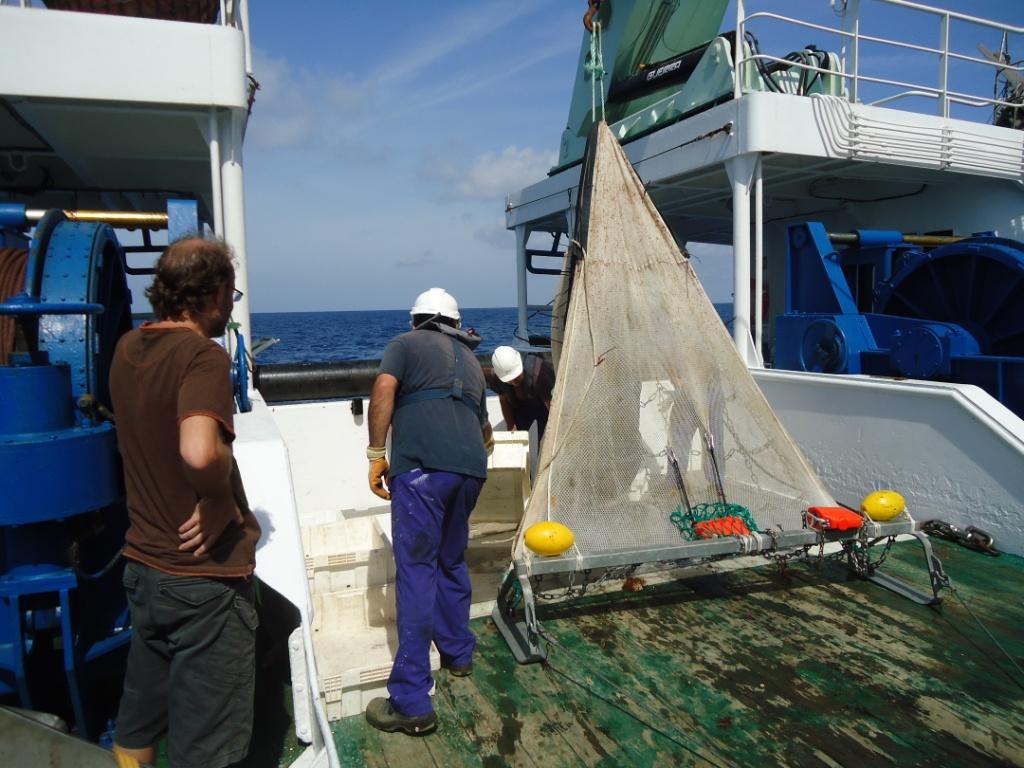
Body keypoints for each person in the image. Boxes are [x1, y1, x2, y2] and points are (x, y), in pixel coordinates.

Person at [109, 237, 261, 768]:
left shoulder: (129, 348)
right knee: (207, 748)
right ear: (215, 292)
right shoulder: (202, 355)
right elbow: (198, 451)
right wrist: (219, 498)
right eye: (231, 292)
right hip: (203, 582)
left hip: (143, 569)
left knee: (139, 719)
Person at [365, 286, 493, 736]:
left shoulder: (404, 345)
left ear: (417, 319)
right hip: (471, 472)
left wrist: (376, 452)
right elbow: (485, 430)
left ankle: (412, 700)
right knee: (451, 560)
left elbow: (384, 388)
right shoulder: (474, 365)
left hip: (421, 471)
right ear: (455, 324)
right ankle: (458, 654)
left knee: (417, 572)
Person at [490, 345, 555, 440]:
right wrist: (511, 427)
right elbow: (503, 401)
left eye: (516, 377)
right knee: (515, 438)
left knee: (545, 441)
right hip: (521, 407)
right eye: (509, 380)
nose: (513, 382)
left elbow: (552, 407)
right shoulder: (496, 377)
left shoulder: (540, 374)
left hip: (544, 407)